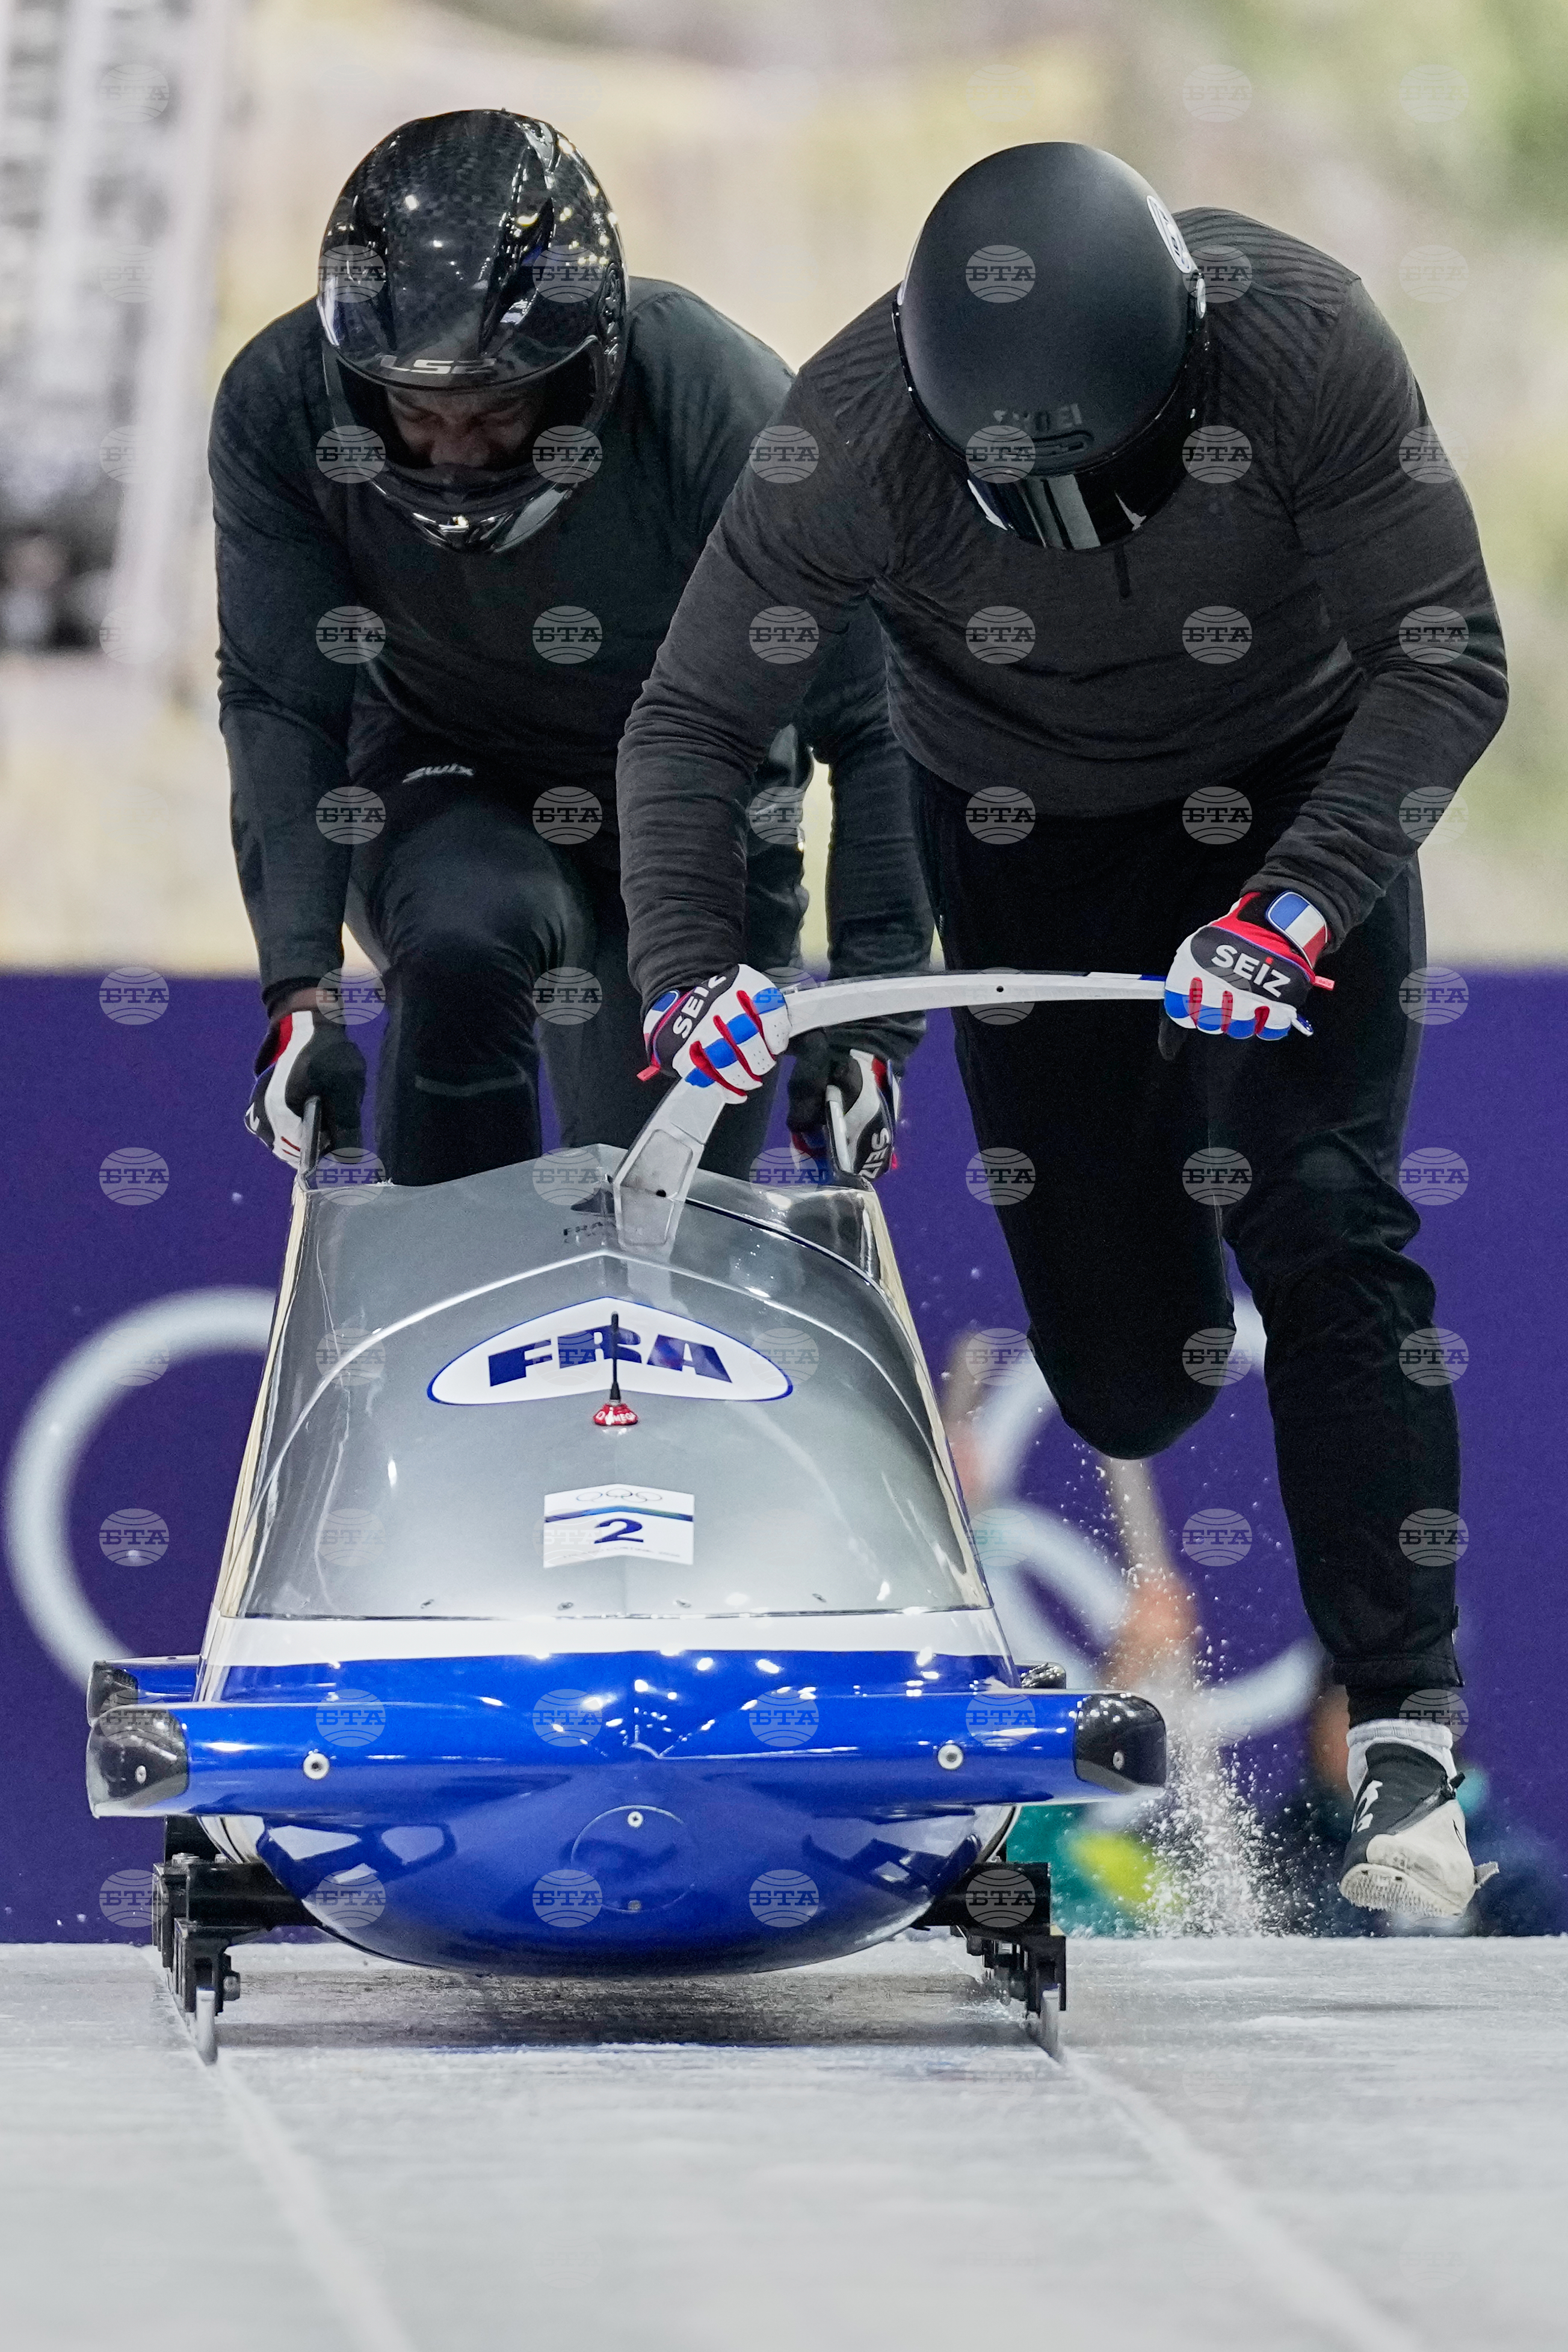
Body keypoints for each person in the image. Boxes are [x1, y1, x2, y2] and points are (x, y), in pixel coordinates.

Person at [616, 143, 1508, 1920]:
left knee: (1320, 1211)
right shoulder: (847, 433)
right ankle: (1131, 1318)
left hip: (1282, 804)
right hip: (1019, 834)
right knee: (1122, 1370)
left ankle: (1402, 1719)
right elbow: (687, 725)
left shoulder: (1309, 345)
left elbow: (1443, 654)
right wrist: (690, 964)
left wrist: (1298, 901)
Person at [214, 108, 925, 1190]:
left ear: (581, 368)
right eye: (416, 410)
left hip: (696, 803)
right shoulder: (279, 404)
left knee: (661, 1204)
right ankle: (450, 1283)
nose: (453, 453)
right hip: (440, 764)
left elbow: (878, 721)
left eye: (494, 412)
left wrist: (870, 1020)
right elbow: (280, 700)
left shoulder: (721, 406)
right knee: (464, 932)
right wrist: (297, 993)